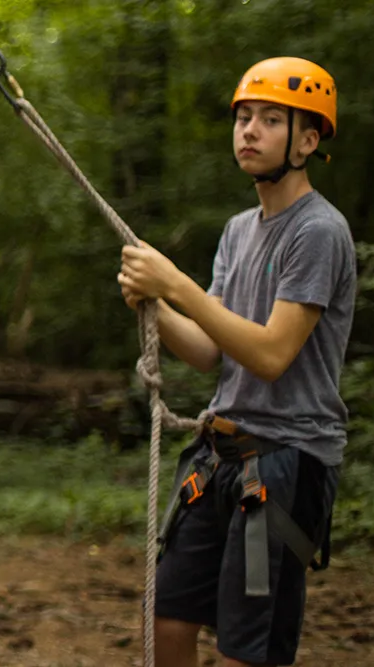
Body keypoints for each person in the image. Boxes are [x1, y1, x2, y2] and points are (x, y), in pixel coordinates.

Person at [120, 56, 353, 667]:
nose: (249, 130)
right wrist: (155, 308)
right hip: (218, 453)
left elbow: (273, 354)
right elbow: (210, 353)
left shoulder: (319, 232)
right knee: (166, 620)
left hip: (283, 460)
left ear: (308, 140)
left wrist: (178, 286)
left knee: (244, 648)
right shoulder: (238, 229)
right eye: (243, 117)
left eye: (271, 120)